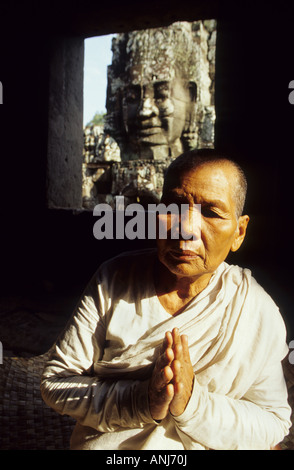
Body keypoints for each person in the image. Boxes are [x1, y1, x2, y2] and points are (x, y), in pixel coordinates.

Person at [40, 150, 292, 450]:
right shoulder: (115, 279)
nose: (186, 228)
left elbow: (273, 423)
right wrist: (142, 400)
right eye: (173, 207)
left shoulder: (254, 309)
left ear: (239, 232)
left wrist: (192, 404)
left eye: (211, 212)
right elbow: (56, 383)